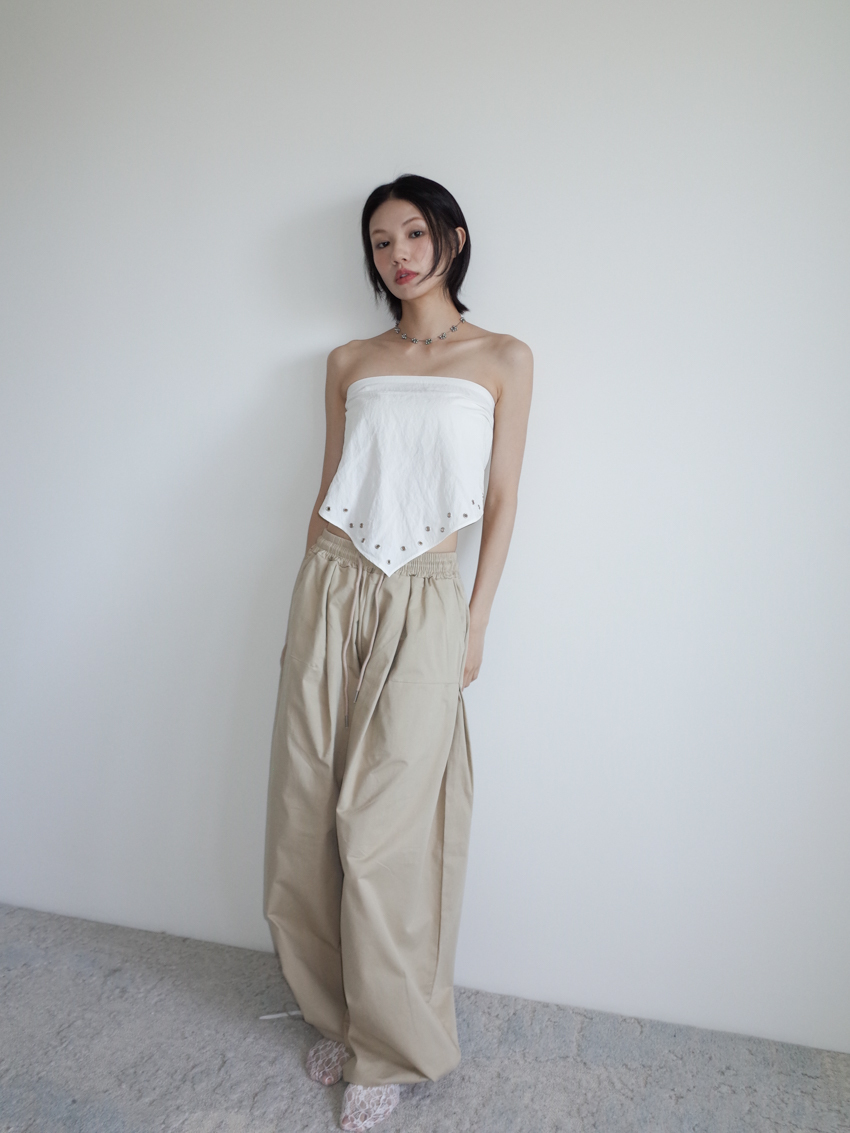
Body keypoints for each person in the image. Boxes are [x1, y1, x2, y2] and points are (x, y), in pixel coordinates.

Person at [263, 173, 533, 1131]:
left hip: (427, 593)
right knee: (306, 809)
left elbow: (502, 499)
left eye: (414, 233)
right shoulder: (349, 360)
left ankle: (390, 1046)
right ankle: (338, 1016)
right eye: (381, 242)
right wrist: (303, 611)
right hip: (332, 582)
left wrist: (476, 620)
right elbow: (329, 485)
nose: (399, 255)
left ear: (451, 236)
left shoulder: (503, 357)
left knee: (387, 826)